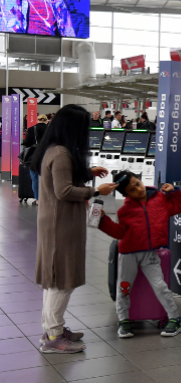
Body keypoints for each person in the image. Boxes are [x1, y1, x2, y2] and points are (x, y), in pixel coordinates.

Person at [32, 104, 117, 354]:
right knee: (62, 280)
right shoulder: (61, 154)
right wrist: (96, 191)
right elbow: (64, 191)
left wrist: (87, 172)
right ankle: (54, 335)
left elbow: (62, 179)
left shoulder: (54, 150)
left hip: (56, 221)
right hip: (62, 224)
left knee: (54, 278)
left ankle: (52, 329)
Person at [98, 171, 181, 338]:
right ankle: (123, 321)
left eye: (137, 184)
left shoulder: (159, 199)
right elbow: (118, 233)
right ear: (126, 195)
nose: (138, 190)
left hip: (150, 254)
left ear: (140, 180)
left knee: (160, 286)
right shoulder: (125, 211)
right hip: (128, 255)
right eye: (132, 190)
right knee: (124, 288)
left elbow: (179, 207)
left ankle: (175, 319)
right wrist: (102, 221)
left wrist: (174, 192)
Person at [23, 114, 48, 205]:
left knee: (35, 178)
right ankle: (47, 198)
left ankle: (37, 199)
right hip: (47, 155)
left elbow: (26, 142)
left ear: (37, 120)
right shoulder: (50, 129)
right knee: (48, 177)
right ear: (46, 120)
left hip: (34, 156)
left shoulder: (32, 129)